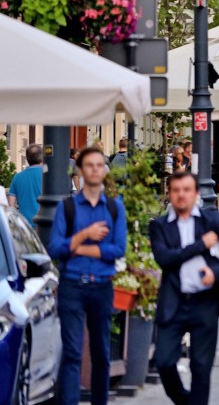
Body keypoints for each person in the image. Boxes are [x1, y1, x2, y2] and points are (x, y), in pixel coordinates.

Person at [149, 171, 219, 405]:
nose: (181, 195)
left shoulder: (209, 220)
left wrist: (217, 272)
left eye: (186, 190)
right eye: (176, 190)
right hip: (173, 301)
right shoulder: (160, 226)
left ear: (195, 194)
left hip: (205, 303)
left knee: (201, 367)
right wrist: (200, 245)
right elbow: (165, 259)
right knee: (163, 362)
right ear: (169, 193)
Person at [49, 147, 128, 405]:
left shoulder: (115, 209)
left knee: (102, 353)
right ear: (80, 171)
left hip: (102, 287)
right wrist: (84, 235)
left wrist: (79, 248)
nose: (95, 169)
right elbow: (55, 248)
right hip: (72, 286)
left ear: (105, 171)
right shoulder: (67, 207)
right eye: (90, 165)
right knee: (72, 353)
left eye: (99, 165)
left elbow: (117, 249)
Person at [11, 143, 44, 221]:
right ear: (42, 157)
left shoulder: (17, 177)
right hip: (43, 223)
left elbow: (11, 204)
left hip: (25, 224)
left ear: (26, 158)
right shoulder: (48, 176)